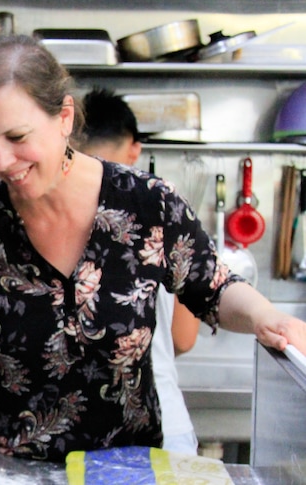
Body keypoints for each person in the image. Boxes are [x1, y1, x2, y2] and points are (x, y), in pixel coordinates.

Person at [0, 35, 306, 463]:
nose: (1, 161)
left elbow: (213, 287)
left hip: (122, 467)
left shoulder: (146, 204)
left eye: (17, 136)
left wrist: (268, 315)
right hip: (6, 469)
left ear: (64, 117)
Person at [78, 86, 201, 455]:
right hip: (164, 420)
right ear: (134, 147)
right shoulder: (163, 210)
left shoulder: (56, 213)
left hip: (86, 429)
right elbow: (183, 338)